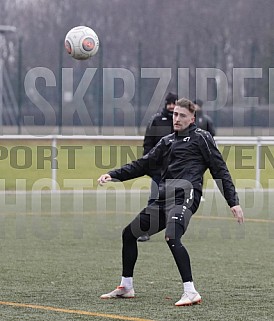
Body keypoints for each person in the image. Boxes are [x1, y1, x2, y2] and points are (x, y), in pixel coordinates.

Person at [97, 98, 244, 307]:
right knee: (129, 234)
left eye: (182, 115)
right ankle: (126, 286)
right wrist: (113, 175)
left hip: (186, 195)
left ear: (192, 118)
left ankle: (190, 291)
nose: (177, 118)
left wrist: (233, 201)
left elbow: (220, 169)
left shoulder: (202, 138)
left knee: (172, 235)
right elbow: (143, 164)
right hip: (163, 198)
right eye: (175, 114)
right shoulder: (167, 141)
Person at [138, 92, 178, 242]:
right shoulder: (156, 120)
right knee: (154, 199)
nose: (172, 106)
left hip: (177, 170)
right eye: (169, 103)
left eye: (174, 103)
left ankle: (173, 230)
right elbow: (148, 145)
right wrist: (149, 165)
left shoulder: (181, 121)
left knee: (177, 201)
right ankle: (145, 230)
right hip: (159, 171)